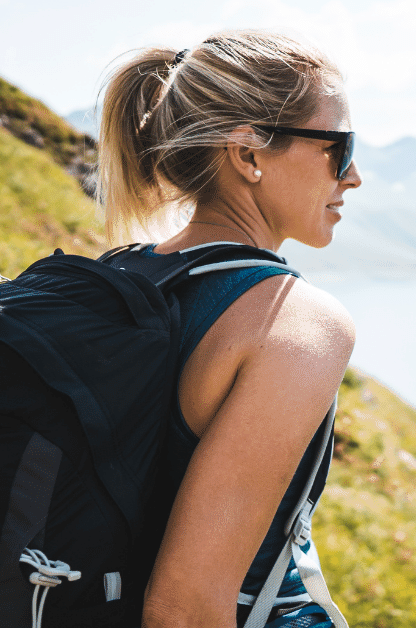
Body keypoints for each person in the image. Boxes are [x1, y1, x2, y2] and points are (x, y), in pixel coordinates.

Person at [95, 31, 361, 628]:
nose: (354, 176)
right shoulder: (293, 321)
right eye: (339, 147)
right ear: (248, 155)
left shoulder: (118, 274)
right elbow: (184, 609)